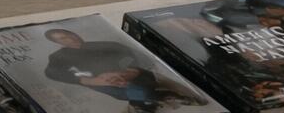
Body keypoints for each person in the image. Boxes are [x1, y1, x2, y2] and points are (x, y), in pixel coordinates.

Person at [43, 28, 205, 112]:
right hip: (107, 85)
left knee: (139, 87)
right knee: (132, 92)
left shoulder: (106, 44)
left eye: (68, 34)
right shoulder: (58, 57)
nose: (69, 38)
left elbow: (129, 55)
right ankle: (162, 97)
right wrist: (91, 80)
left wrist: (128, 70)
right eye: (62, 38)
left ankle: (154, 100)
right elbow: (52, 72)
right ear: (57, 43)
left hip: (134, 75)